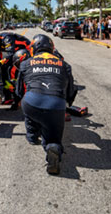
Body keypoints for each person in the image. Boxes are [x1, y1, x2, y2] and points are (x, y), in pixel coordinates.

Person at [16, 34, 76, 175]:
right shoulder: (64, 64)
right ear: (51, 48)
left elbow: (19, 90)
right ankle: (52, 147)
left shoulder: (26, 63)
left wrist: (21, 100)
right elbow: (71, 90)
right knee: (53, 137)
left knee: (30, 112)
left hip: (31, 102)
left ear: (33, 48)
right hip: (55, 104)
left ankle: (32, 136)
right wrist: (67, 105)